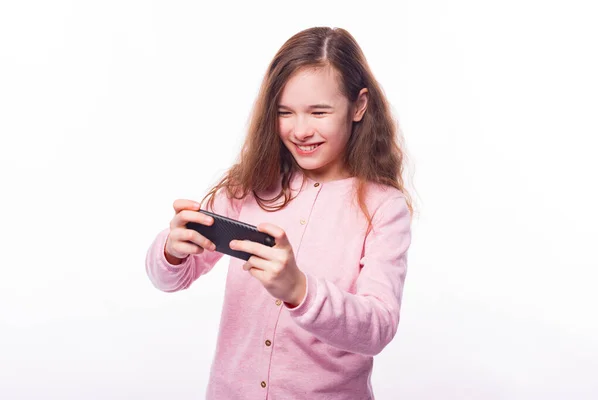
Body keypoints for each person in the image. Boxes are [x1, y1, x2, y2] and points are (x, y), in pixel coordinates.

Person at [145, 26, 413, 399]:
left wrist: (299, 289)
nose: (301, 130)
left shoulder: (384, 207)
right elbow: (168, 279)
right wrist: (172, 250)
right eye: (285, 112)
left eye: (319, 112)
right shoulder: (251, 184)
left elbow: (378, 329)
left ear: (359, 105)